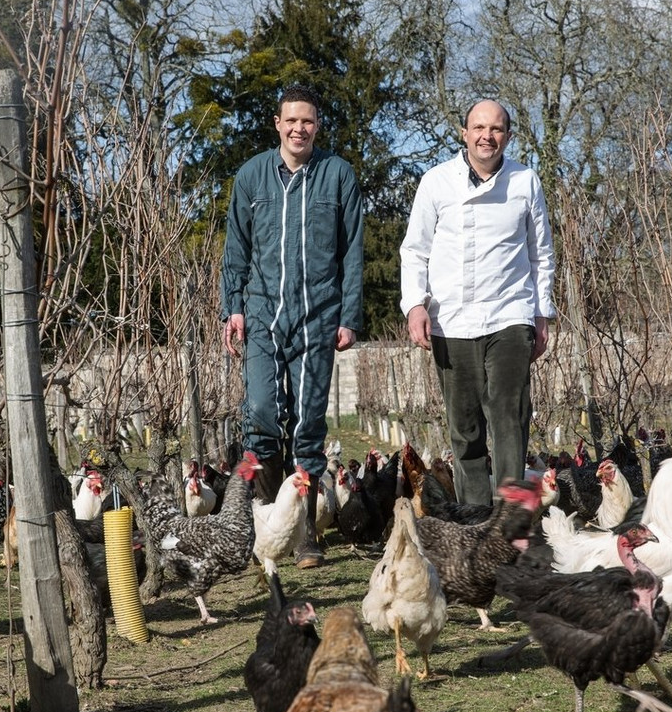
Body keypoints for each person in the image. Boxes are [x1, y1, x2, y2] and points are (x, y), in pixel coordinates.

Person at [221, 84, 364, 567]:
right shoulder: (252, 177)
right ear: (277, 124)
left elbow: (352, 253)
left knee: (306, 423)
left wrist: (349, 315)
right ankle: (263, 526)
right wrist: (233, 307)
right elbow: (236, 249)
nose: (299, 128)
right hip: (261, 313)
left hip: (318, 315)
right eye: (291, 120)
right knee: (261, 413)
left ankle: (304, 533)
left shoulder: (338, 176)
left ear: (317, 125)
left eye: (308, 120)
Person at [400, 99, 557, 505]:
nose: (488, 136)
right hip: (451, 320)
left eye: (497, 129)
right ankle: (474, 518)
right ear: (465, 133)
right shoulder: (436, 183)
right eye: (479, 128)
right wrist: (415, 305)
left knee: (509, 418)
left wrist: (542, 315)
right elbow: (415, 250)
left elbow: (541, 254)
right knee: (464, 426)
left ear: (508, 136)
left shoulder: (526, 182)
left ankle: (510, 518)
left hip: (509, 315)